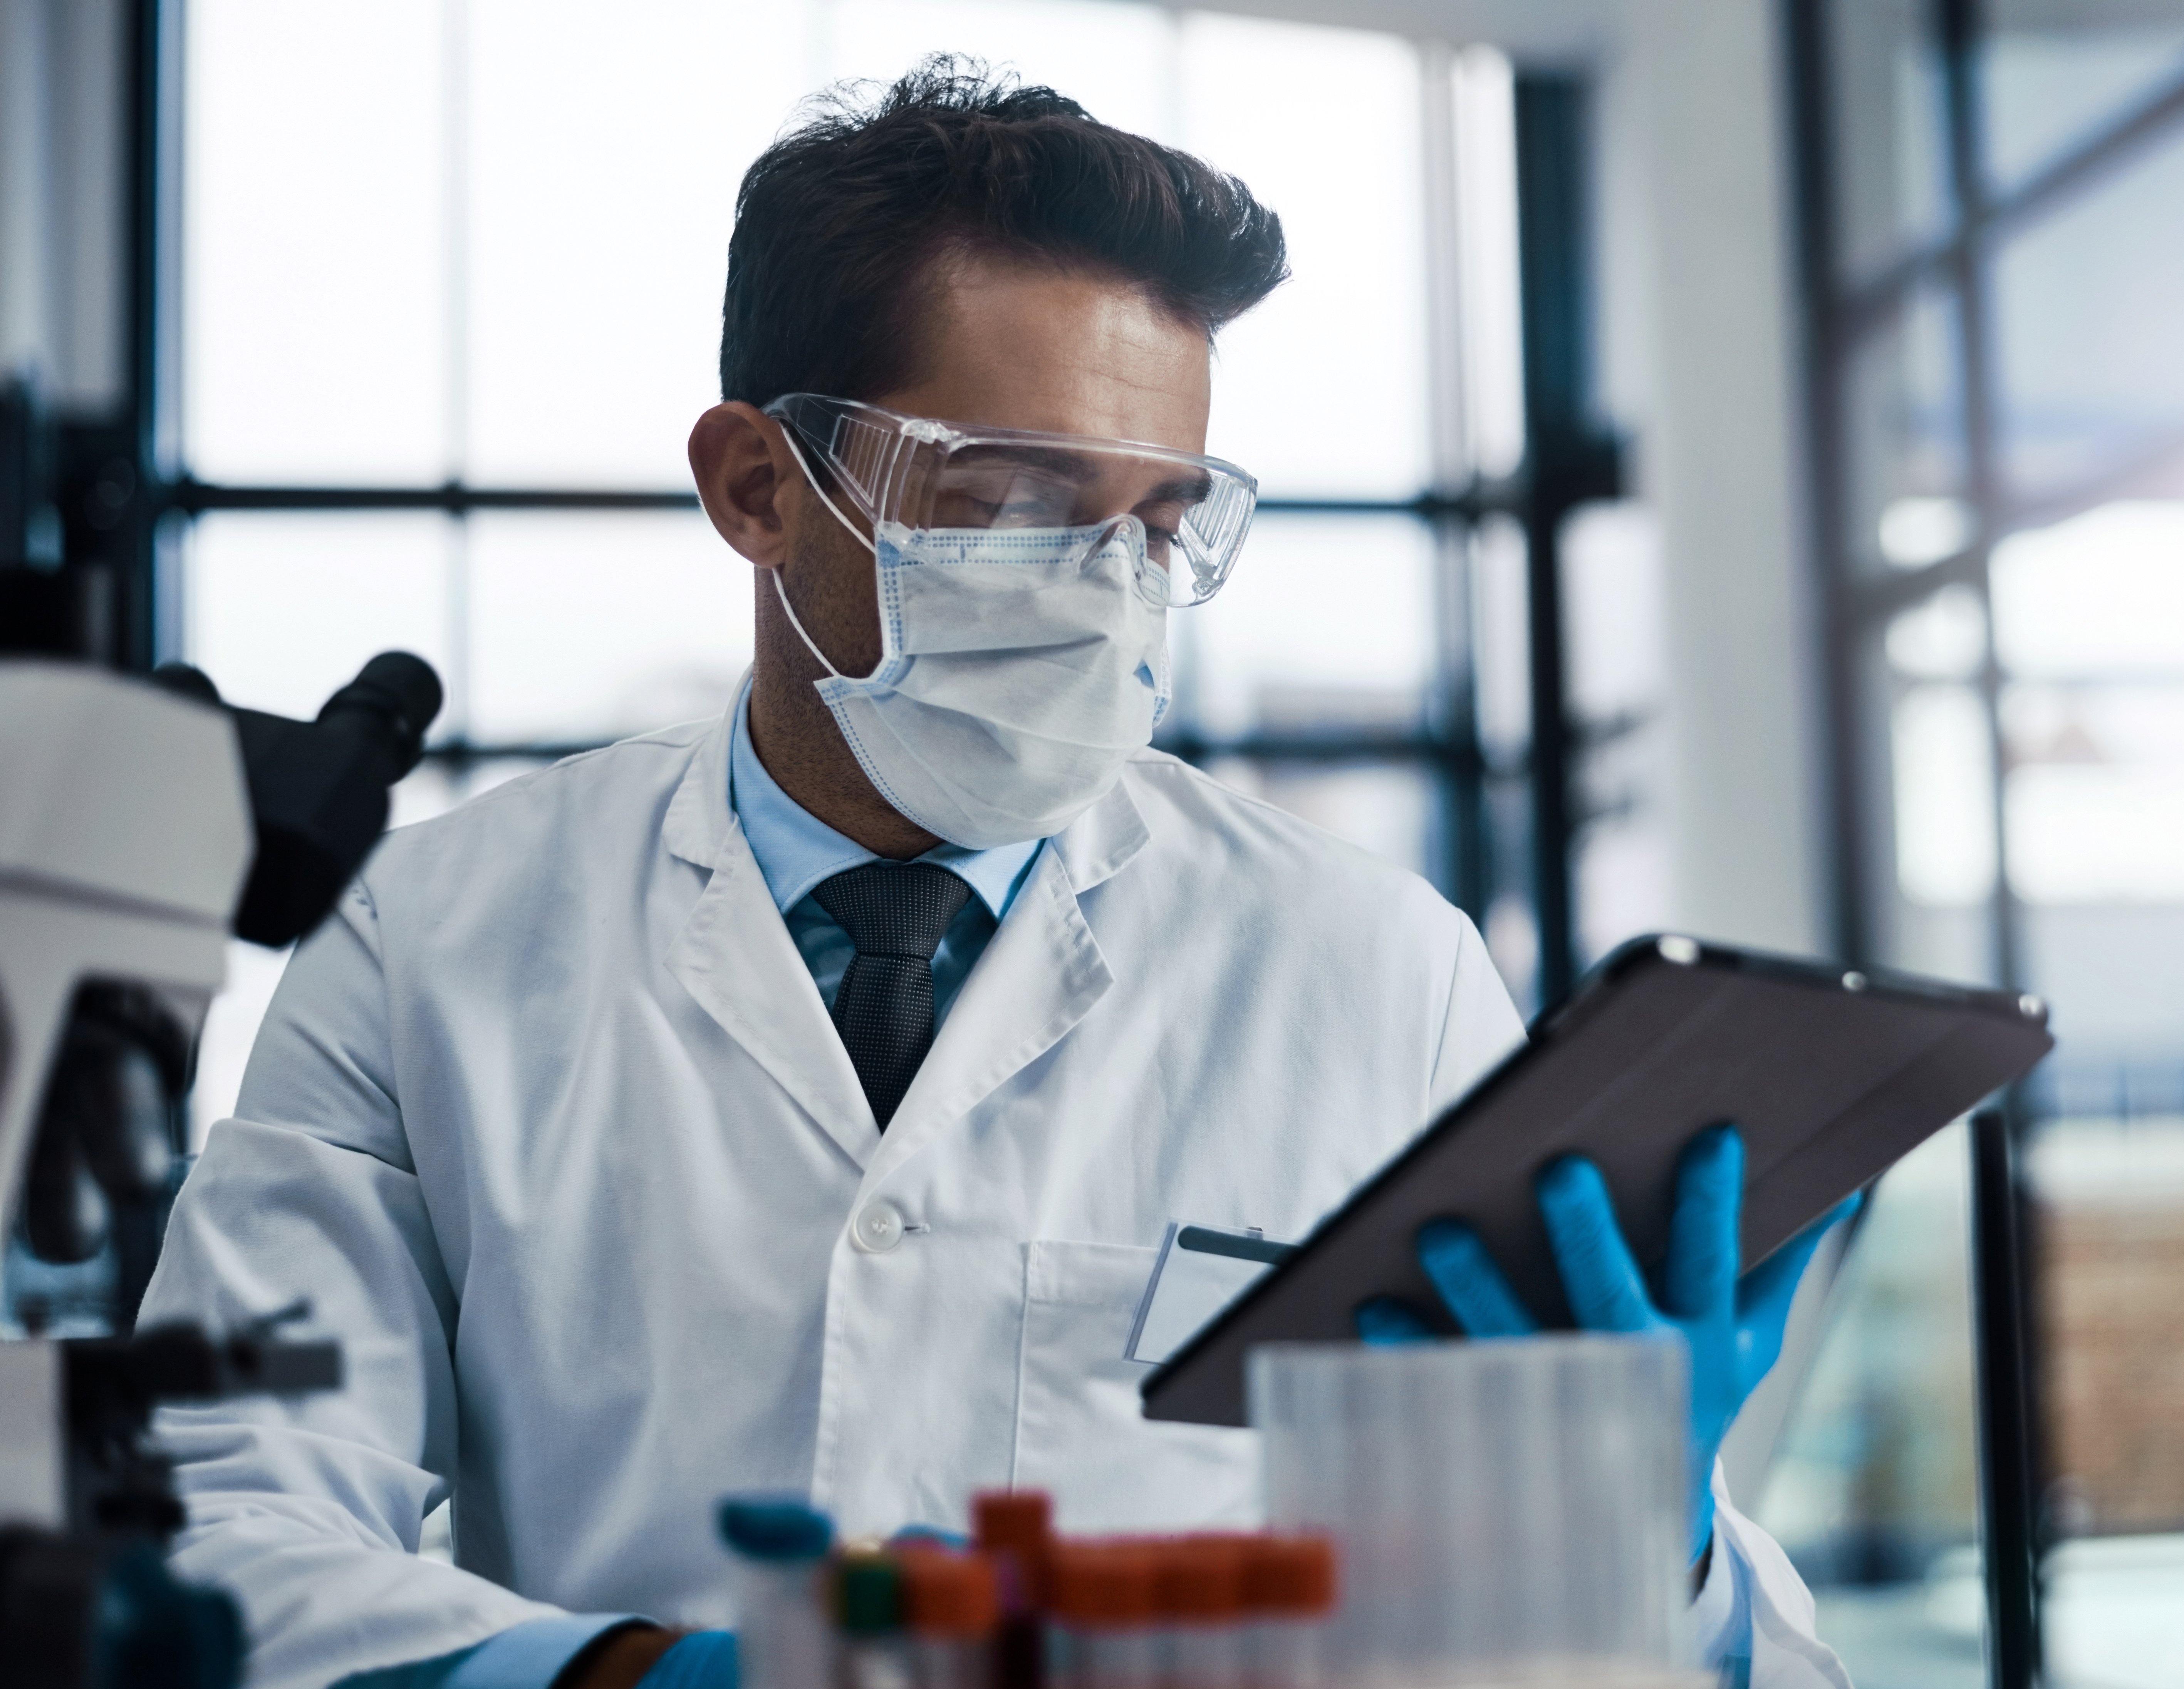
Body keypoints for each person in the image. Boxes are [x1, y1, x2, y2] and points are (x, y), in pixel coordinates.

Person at [140, 61, 1850, 1689]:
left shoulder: (1371, 971)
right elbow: (223, 1519)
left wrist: (1650, 1540)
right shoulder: (434, 936)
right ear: (758, 486)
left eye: (1160, 520)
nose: (1106, 583)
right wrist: (638, 1673)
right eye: (1015, 495)